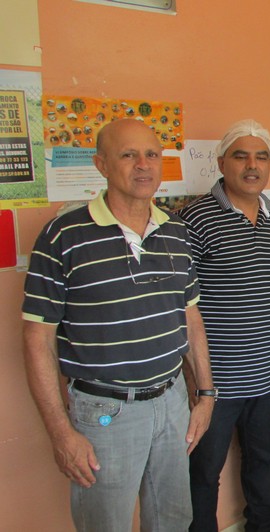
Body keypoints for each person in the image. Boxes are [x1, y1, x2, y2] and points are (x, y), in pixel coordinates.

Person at [21, 118, 214, 532]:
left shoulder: (176, 231)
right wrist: (60, 432)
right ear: (101, 164)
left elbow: (191, 317)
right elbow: (37, 338)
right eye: (128, 155)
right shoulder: (64, 235)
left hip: (172, 402)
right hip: (105, 411)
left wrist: (206, 393)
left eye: (151, 154)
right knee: (105, 524)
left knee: (174, 520)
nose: (142, 165)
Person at [177, 119, 270, 531]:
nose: (251, 165)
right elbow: (184, 307)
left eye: (261, 156)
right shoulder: (195, 220)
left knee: (264, 462)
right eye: (241, 155)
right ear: (222, 162)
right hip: (216, 383)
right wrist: (195, 381)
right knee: (204, 474)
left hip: (268, 377)